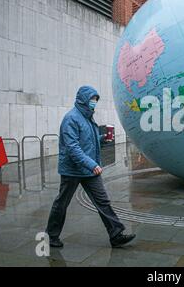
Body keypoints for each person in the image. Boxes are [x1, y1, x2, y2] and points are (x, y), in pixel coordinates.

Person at [46, 86, 135, 248]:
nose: (94, 102)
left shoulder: (87, 117)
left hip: (88, 170)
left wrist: (102, 138)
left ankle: (116, 234)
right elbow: (73, 147)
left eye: (96, 100)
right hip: (72, 170)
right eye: (92, 99)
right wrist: (92, 164)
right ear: (83, 100)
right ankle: (51, 236)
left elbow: (86, 141)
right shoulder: (71, 119)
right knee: (62, 203)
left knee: (103, 201)